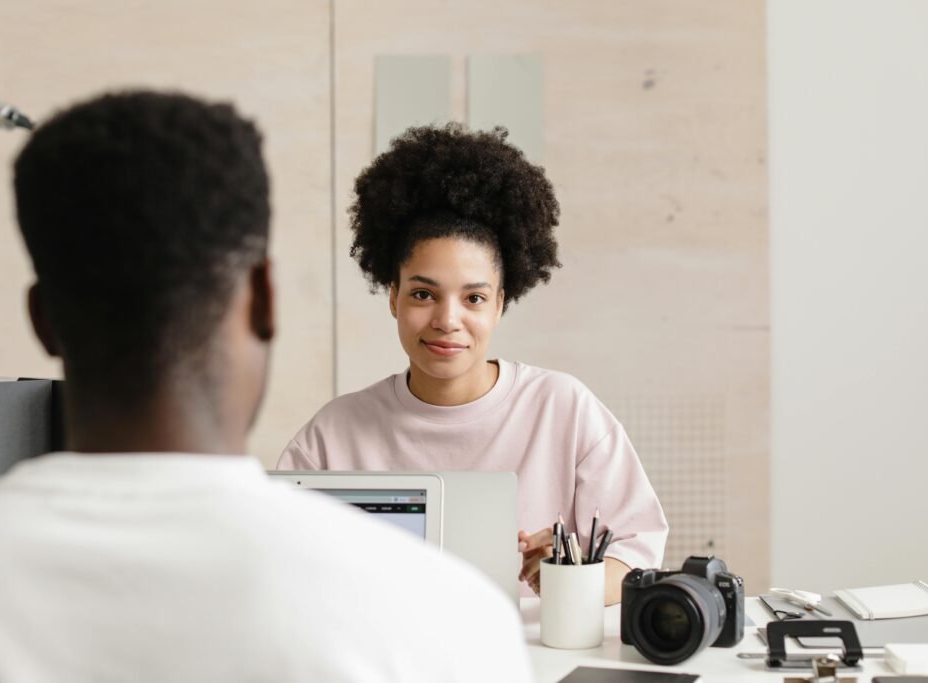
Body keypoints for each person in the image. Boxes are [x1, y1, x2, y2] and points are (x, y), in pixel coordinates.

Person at [0, 92, 532, 682]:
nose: (448, 318)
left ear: (42, 320)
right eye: (423, 293)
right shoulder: (450, 619)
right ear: (263, 300)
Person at [278, 124, 668, 603]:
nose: (447, 320)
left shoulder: (563, 408)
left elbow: (637, 557)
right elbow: (281, 567)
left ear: (500, 303)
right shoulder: (332, 435)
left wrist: (572, 577)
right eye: (423, 294)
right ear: (393, 296)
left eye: (474, 298)